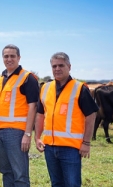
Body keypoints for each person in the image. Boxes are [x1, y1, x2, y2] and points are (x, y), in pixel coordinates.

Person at [34, 52, 98, 187]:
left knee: (72, 184)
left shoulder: (80, 88)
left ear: (69, 66)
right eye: (54, 66)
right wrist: (37, 137)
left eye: (61, 65)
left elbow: (91, 115)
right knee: (56, 183)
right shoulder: (45, 88)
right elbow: (40, 114)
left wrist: (86, 142)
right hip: (49, 147)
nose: (57, 69)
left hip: (71, 148)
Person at [0, 44, 39, 187]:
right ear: (2, 58)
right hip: (0, 132)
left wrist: (27, 134)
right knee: (6, 172)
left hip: (17, 133)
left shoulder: (28, 78)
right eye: (6, 56)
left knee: (20, 175)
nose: (9, 59)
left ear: (19, 57)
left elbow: (33, 107)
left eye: (12, 56)